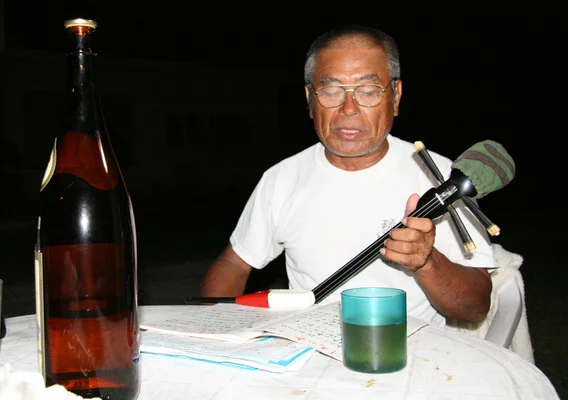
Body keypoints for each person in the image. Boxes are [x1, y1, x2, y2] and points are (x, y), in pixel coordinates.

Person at [200, 24, 496, 326]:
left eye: (368, 91)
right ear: (310, 100)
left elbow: (474, 309)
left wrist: (427, 261)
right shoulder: (282, 179)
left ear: (395, 96)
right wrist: (215, 328)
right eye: (330, 91)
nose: (349, 109)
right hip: (308, 352)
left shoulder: (444, 179)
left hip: (414, 354)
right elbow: (233, 263)